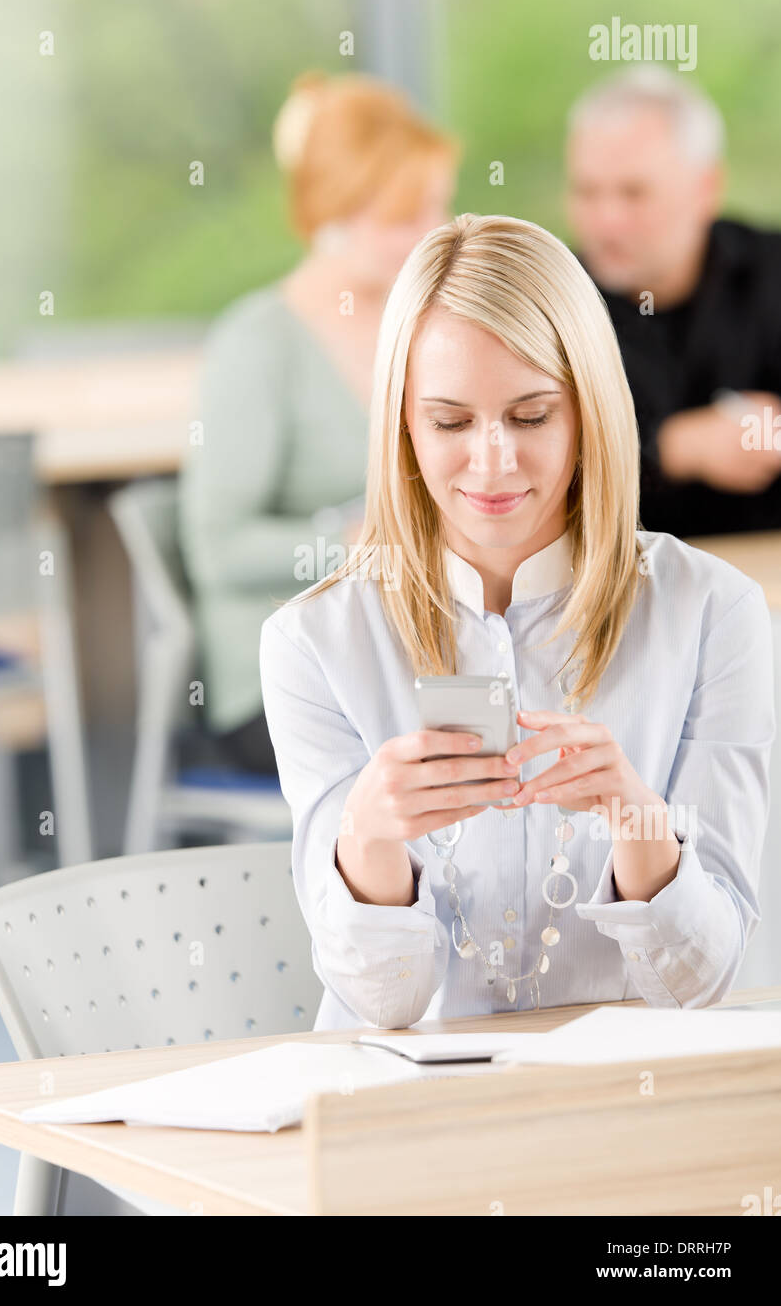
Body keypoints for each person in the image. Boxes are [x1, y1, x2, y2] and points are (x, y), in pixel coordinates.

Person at [259, 213, 774, 1031]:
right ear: (401, 422)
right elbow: (381, 1003)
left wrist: (634, 814)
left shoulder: (714, 612)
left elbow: (703, 981)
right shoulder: (314, 641)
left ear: (589, 413)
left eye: (532, 417)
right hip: (406, 1115)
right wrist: (370, 835)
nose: (492, 463)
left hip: (621, 1106)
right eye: (450, 421)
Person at [178, 71, 458, 774]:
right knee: (466, 748)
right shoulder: (258, 344)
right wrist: (354, 544)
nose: (430, 235)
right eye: (403, 217)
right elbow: (218, 549)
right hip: (283, 679)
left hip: (407, 655)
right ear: (332, 214)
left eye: (435, 208)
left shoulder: (425, 326)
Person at [565, 66, 781, 538]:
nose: (607, 221)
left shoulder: (772, 272)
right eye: (587, 192)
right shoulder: (549, 303)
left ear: (705, 188)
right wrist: (677, 447)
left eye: (634, 192)